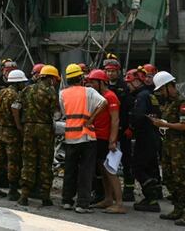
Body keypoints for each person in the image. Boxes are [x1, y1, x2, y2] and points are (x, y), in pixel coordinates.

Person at [59, 63, 106, 214]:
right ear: (81, 77)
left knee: (70, 170)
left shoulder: (62, 93)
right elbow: (104, 102)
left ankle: (67, 200)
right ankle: (82, 204)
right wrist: (91, 119)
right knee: (86, 171)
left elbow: (64, 111)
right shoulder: (89, 91)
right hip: (86, 137)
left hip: (70, 136)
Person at [152, 71, 185, 227]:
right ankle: (178, 209)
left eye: (163, 89)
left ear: (170, 86)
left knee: (182, 179)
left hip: (180, 146)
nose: (162, 93)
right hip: (168, 145)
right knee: (169, 177)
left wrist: (165, 124)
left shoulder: (182, 102)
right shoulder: (168, 102)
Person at [17, 64, 59, 207]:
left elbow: (16, 107)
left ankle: (24, 195)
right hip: (45, 130)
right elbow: (55, 112)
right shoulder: (51, 91)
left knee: (28, 162)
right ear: (51, 78)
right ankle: (45, 197)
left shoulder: (27, 89)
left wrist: (19, 125)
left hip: (28, 128)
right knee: (45, 162)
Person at [87, 69, 125, 214]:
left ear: (101, 82)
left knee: (110, 171)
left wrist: (112, 140)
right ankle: (108, 199)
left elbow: (115, 120)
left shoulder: (111, 97)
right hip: (98, 137)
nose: (90, 84)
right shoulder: (100, 96)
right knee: (103, 170)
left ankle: (119, 203)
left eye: (93, 82)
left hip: (106, 138)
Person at [0, 69, 26, 200]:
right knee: (13, 160)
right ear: (18, 83)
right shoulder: (16, 95)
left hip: (0, 130)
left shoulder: (0, 93)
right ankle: (13, 190)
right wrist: (19, 126)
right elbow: (16, 110)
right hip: (11, 131)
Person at [130, 67, 163, 213]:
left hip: (144, 137)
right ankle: (153, 197)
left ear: (137, 82)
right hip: (154, 136)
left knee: (137, 168)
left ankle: (151, 199)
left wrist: (131, 127)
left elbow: (138, 116)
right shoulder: (151, 95)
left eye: (130, 82)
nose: (128, 85)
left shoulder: (142, 96)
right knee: (150, 167)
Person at [119, 68, 139, 202]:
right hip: (117, 130)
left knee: (127, 162)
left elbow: (134, 115)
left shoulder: (133, 97)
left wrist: (130, 128)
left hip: (125, 132)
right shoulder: (125, 93)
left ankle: (129, 190)